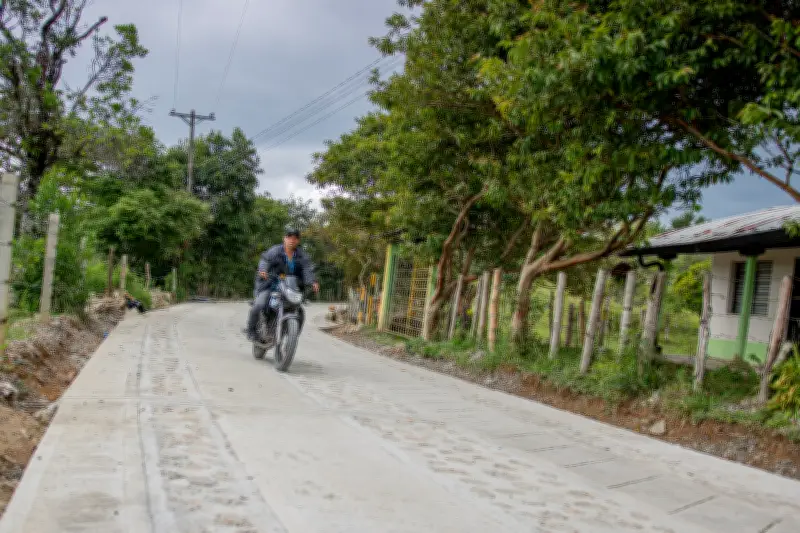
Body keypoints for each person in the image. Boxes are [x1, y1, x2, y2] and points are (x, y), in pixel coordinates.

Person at [244, 227, 319, 343]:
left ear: (298, 241)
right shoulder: (275, 251)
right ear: (284, 238)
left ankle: (291, 338)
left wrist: (312, 281)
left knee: (300, 312)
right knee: (259, 305)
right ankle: (251, 331)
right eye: (289, 237)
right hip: (271, 286)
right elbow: (265, 260)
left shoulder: (302, 256)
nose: (292, 240)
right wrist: (263, 269)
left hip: (291, 289)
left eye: (295, 238)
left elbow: (307, 269)